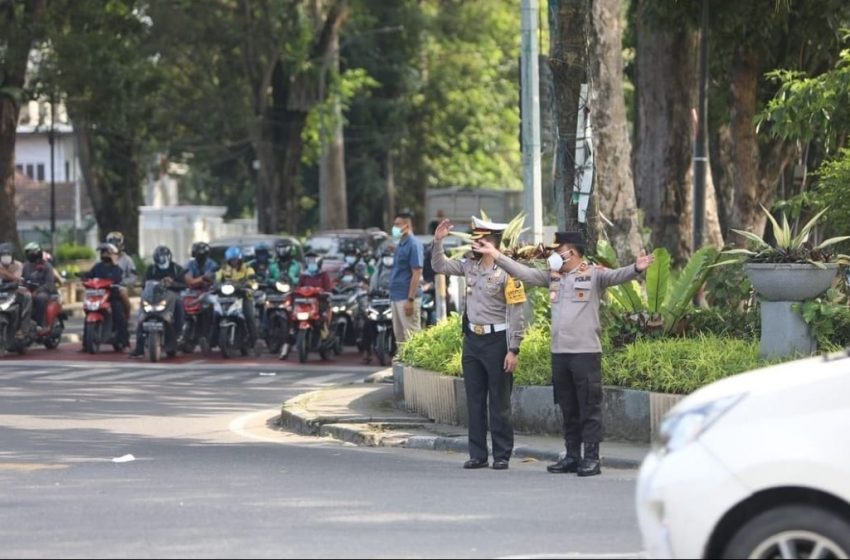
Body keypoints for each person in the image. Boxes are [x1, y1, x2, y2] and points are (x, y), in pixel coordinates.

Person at [475, 231, 654, 477]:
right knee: (568, 407)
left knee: (589, 407)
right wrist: (496, 255)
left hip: (586, 353)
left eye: (559, 250)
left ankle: (591, 458)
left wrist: (636, 267)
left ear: (572, 252)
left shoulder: (593, 274)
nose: (555, 255)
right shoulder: (553, 277)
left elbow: (616, 276)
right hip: (560, 353)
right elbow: (522, 272)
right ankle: (572, 456)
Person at [431, 217, 527, 470]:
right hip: (473, 340)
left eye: (479, 240)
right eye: (474, 240)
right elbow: (439, 265)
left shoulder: (509, 271)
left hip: (498, 340)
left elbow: (517, 312)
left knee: (499, 400)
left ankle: (503, 454)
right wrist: (438, 241)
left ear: (491, 243)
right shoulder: (469, 267)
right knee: (474, 399)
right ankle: (478, 454)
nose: (474, 244)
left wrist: (513, 348)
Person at [130, 246, 185, 357]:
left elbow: (183, 284)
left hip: (171, 295)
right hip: (154, 297)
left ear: (168, 257)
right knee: (141, 315)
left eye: (163, 257)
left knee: (179, 302)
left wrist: (173, 284)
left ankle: (179, 333)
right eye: (159, 257)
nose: (161, 259)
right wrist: (141, 284)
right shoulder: (151, 269)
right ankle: (139, 347)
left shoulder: (176, 269)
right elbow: (145, 283)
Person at [388, 212, 424, 344]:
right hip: (396, 296)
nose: (394, 227)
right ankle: (403, 365)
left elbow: (416, 273)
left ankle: (414, 365)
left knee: (412, 337)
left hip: (406, 297)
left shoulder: (414, 244)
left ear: (406, 226)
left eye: (397, 224)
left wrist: (410, 299)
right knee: (400, 337)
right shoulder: (401, 244)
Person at [85, 243, 129, 349]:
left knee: (118, 313)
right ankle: (85, 343)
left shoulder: (116, 268)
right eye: (102, 252)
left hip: (112, 297)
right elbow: (89, 276)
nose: (104, 254)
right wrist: (83, 277)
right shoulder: (97, 267)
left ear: (112, 254)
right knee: (88, 313)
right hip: (98, 296)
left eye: (107, 252)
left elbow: (118, 279)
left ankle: (123, 340)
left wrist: (115, 284)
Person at [216, 246, 258, 348]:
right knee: (215, 315)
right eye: (231, 260)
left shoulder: (247, 268)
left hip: (243, 296)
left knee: (249, 316)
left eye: (235, 260)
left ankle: (254, 341)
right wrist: (215, 285)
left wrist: (248, 284)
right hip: (226, 297)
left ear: (240, 259)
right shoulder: (224, 270)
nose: (234, 262)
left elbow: (252, 280)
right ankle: (210, 340)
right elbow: (217, 279)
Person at [297, 251, 334, 338]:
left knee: (322, 319)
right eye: (309, 260)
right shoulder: (304, 275)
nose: (311, 263)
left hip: (320, 302)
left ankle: (325, 336)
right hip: (306, 303)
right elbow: (298, 288)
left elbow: (328, 289)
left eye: (313, 260)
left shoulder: (323, 275)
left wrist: (324, 293)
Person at [22, 242, 57, 331]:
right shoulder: (26, 266)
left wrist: (37, 291)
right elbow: (22, 280)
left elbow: (49, 284)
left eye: (30, 253)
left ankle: (39, 323)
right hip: (29, 291)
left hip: (44, 292)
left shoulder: (47, 266)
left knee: (40, 298)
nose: (28, 255)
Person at [0, 242, 33, 336]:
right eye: (3, 255)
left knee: (27, 296)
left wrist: (4, 273)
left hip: (16, 291)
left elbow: (17, 279)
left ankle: (24, 328)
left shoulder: (18, 265)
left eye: (8, 255)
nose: (5, 257)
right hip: (3, 292)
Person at [106, 231, 137, 323]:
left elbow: (133, 276)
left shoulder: (127, 260)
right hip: (105, 286)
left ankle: (127, 316)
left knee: (122, 292)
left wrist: (123, 282)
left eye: (116, 244)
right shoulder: (104, 258)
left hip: (120, 286)